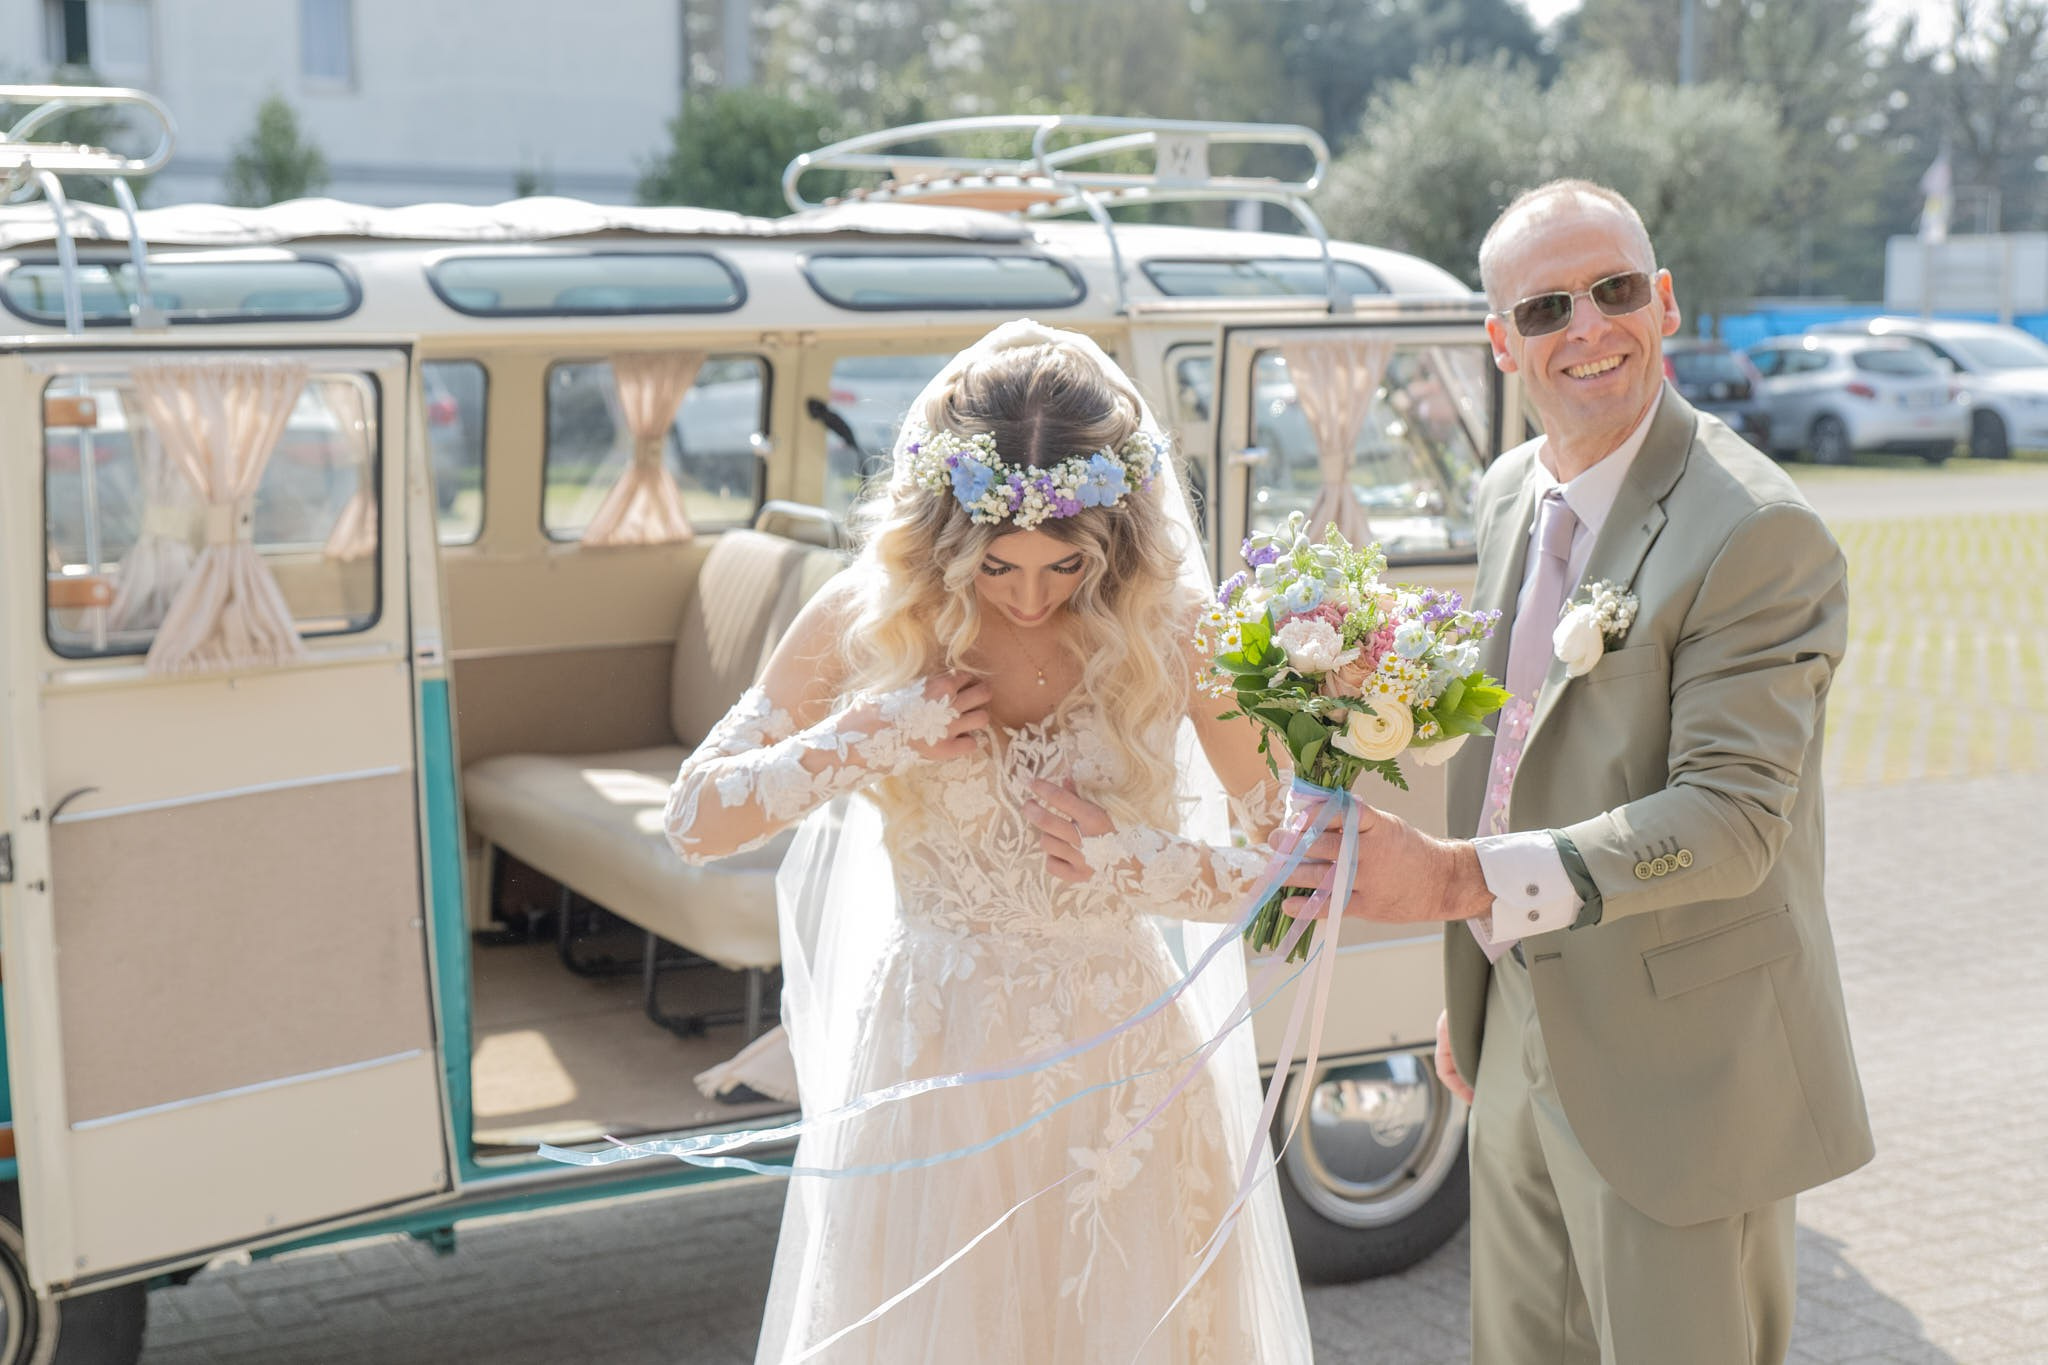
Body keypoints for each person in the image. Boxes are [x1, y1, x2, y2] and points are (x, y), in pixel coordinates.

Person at [1291, 181, 1873, 1364]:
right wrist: (1475, 988)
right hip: (1514, 1019)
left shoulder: (1756, 529)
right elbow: (1511, 756)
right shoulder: (1510, 489)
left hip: (1683, 1060)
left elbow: (1729, 821)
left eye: (1612, 291)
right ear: (1499, 343)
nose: (1586, 327)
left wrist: (1458, 886)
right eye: (1545, 306)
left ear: (1661, 304)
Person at [663, 320, 1313, 1364]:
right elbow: (697, 819)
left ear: (1118, 534)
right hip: (935, 1064)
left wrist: (1133, 862)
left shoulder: (1172, 629)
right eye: (996, 563)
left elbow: (1303, 874)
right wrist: (863, 737)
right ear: (944, 528)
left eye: (1064, 563)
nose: (1027, 594)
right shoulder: (868, 618)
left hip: (1121, 1076)